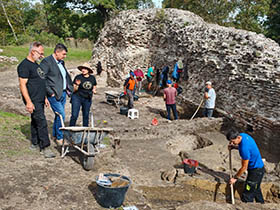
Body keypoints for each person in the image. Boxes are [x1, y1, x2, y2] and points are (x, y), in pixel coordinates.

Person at [17, 42, 55, 158]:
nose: (42, 56)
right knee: (42, 122)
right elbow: (22, 85)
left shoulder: (36, 65)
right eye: (41, 53)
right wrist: (28, 102)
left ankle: (35, 143)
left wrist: (45, 97)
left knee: (35, 120)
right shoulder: (24, 66)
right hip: (32, 99)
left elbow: (40, 82)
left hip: (40, 98)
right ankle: (45, 147)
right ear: (33, 52)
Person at [40, 43, 73, 145]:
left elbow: (64, 76)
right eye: (63, 54)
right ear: (57, 52)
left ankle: (55, 134)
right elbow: (42, 78)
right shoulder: (46, 62)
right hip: (53, 94)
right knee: (61, 115)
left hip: (62, 93)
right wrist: (50, 92)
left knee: (58, 115)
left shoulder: (61, 62)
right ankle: (59, 137)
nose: (65, 56)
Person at [227, 129, 265, 203]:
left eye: (233, 141)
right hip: (259, 168)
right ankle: (261, 204)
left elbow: (244, 167)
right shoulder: (243, 135)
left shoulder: (244, 149)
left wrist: (235, 178)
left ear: (238, 137)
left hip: (256, 171)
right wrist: (234, 147)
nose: (231, 143)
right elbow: (247, 148)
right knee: (255, 188)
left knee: (247, 193)